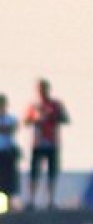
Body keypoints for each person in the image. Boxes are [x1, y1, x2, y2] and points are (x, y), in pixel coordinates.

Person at [24, 79, 69, 210]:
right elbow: (26, 121)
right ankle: (32, 200)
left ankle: (51, 200)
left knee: (52, 172)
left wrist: (53, 116)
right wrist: (37, 119)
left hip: (52, 142)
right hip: (38, 143)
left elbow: (65, 119)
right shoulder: (34, 105)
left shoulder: (56, 104)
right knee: (34, 172)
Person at [0, 94, 19, 213]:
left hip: (8, 152)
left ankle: (9, 205)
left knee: (8, 180)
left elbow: (12, 128)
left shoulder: (11, 118)